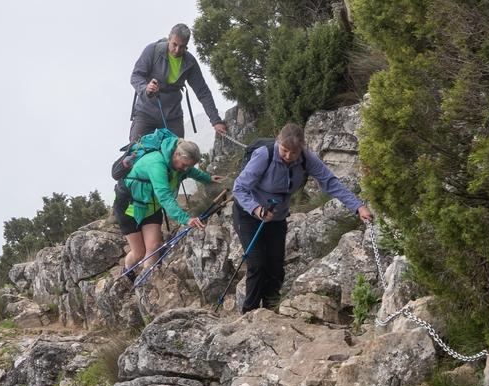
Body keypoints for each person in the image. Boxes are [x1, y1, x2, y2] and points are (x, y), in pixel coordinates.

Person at [232, 122, 372, 313]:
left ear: (302, 148)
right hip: (248, 215)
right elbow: (239, 188)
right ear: (278, 142)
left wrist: (358, 206)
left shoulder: (307, 159)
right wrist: (256, 209)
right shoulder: (265, 155)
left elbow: (330, 182)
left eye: (294, 152)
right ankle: (249, 314)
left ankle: (269, 311)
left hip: (277, 217)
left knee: (275, 268)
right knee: (257, 264)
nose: (289, 156)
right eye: (284, 150)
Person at [116, 136, 222, 270]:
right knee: (139, 253)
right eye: (184, 165)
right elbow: (164, 196)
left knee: (154, 248)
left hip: (151, 207)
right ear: (176, 154)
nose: (185, 169)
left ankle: (147, 283)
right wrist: (185, 219)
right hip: (129, 207)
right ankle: (128, 271)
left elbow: (191, 171)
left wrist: (208, 179)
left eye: (188, 165)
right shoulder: (156, 163)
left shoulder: (178, 161)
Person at [129, 23, 229, 141]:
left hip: (172, 116)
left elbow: (203, 92)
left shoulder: (189, 62)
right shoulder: (152, 50)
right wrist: (145, 88)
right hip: (146, 113)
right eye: (174, 45)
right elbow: (136, 76)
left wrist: (215, 121)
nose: (177, 50)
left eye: (182, 47)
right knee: (136, 151)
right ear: (169, 39)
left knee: (179, 155)